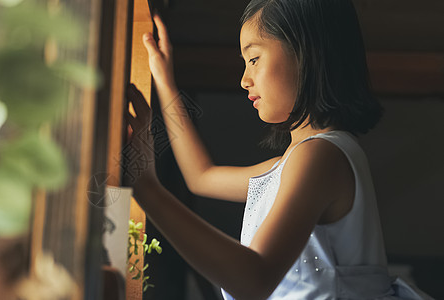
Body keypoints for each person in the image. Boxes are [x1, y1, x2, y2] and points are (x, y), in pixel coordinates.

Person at [123, 0, 433, 299]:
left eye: (254, 59)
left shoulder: (319, 157)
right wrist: (165, 83)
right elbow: (201, 176)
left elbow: (254, 279)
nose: (244, 79)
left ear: (306, 52)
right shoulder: (298, 160)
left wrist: (146, 187)